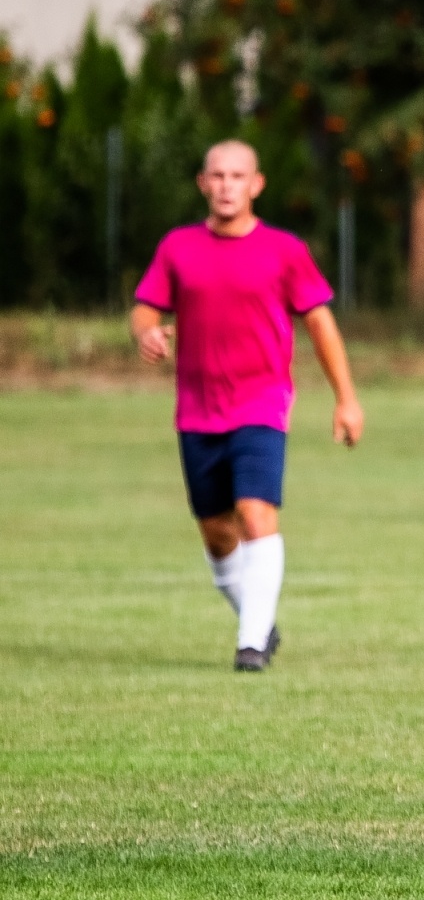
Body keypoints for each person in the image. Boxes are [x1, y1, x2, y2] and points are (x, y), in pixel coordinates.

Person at [131, 139, 364, 672]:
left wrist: (346, 399)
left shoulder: (284, 250)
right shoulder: (178, 248)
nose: (227, 185)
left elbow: (321, 324)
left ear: (256, 185)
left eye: (238, 176)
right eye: (218, 176)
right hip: (196, 407)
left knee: (257, 514)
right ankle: (257, 620)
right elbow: (145, 308)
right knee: (217, 533)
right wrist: (146, 333)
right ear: (203, 183)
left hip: (262, 402)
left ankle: (251, 645)